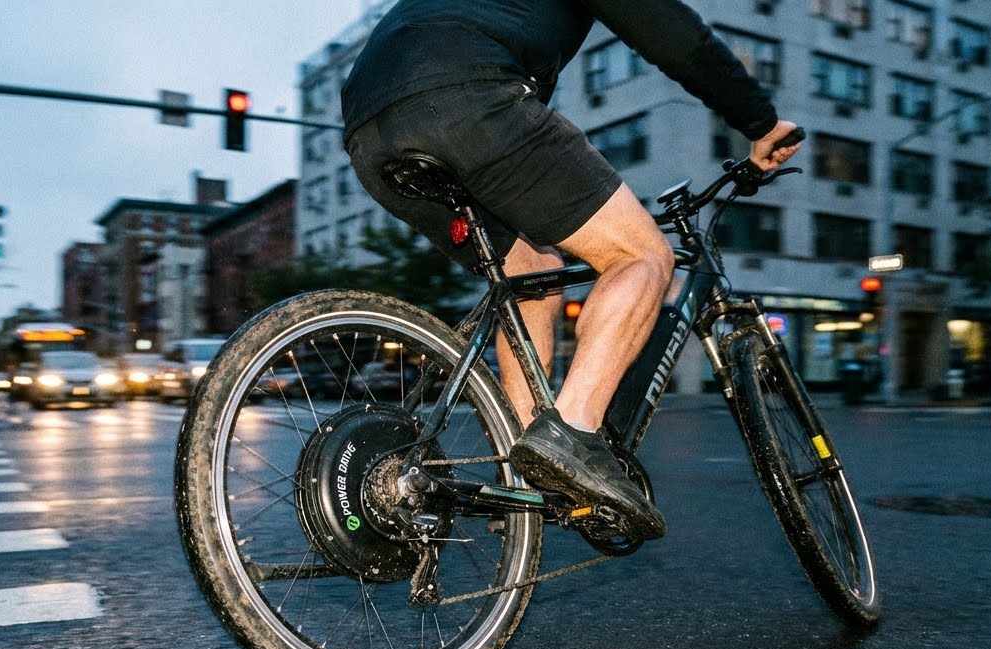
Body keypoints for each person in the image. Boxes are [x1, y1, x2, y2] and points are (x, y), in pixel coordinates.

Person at [341, 0, 801, 542]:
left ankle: (520, 474)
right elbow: (674, 35)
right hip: (468, 96)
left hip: (370, 130)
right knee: (642, 256)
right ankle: (574, 430)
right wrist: (760, 122)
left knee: (530, 275)